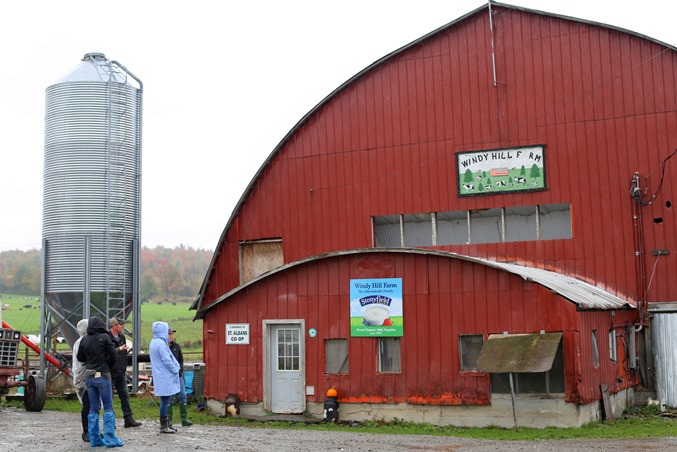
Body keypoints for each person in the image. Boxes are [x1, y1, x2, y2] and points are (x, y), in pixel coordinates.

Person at [76, 315, 124, 448]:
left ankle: (94, 438)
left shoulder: (84, 339)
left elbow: (80, 357)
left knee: (93, 407)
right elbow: (113, 355)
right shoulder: (105, 338)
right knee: (108, 407)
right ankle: (110, 438)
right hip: (103, 375)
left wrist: (91, 360)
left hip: (89, 377)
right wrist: (107, 365)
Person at [108, 317, 142, 428]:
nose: (123, 326)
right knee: (109, 398)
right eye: (120, 324)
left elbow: (123, 355)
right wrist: (118, 350)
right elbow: (106, 354)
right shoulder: (106, 338)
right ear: (113, 326)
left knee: (125, 396)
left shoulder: (122, 337)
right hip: (110, 373)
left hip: (121, 372)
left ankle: (128, 419)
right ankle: (111, 422)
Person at [149, 321, 181, 434]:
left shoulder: (154, 342)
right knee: (165, 401)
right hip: (164, 375)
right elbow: (166, 360)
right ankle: (164, 426)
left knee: (165, 400)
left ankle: (166, 425)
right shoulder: (161, 344)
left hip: (160, 375)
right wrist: (175, 369)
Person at [71, 318, 92, 442]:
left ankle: (92, 430)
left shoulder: (87, 340)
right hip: (82, 376)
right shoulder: (80, 342)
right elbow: (82, 359)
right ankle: (86, 431)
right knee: (87, 404)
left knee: (94, 405)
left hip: (89, 375)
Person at [168, 327, 193, 427]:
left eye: (172, 334)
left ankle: (184, 418)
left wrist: (180, 369)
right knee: (168, 397)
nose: (172, 336)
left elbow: (181, 360)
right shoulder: (163, 347)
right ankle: (169, 420)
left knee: (183, 394)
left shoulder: (177, 347)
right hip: (168, 377)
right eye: (170, 334)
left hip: (178, 375)